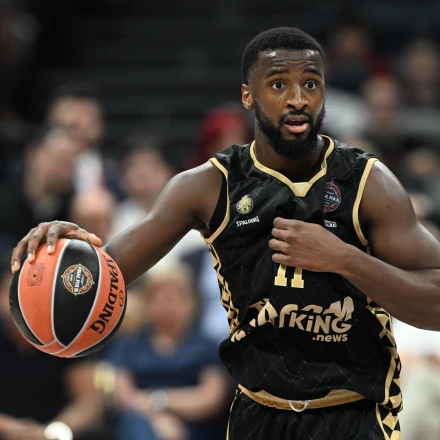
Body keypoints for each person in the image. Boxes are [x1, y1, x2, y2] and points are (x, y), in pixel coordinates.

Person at [11, 27, 440, 439]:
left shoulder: (367, 183)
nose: (297, 99)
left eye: (310, 84)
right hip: (259, 414)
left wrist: (344, 259)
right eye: (278, 85)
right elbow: (108, 272)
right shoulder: (208, 185)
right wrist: (66, 253)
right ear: (248, 95)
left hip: (355, 414)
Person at [100, 264, 229, 440]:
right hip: (141, 422)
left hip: (195, 426)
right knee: (134, 423)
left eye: (172, 298)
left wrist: (161, 402)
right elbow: (122, 396)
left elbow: (211, 399)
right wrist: (156, 417)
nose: (166, 305)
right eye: (157, 298)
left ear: (190, 302)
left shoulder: (206, 346)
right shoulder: (128, 345)